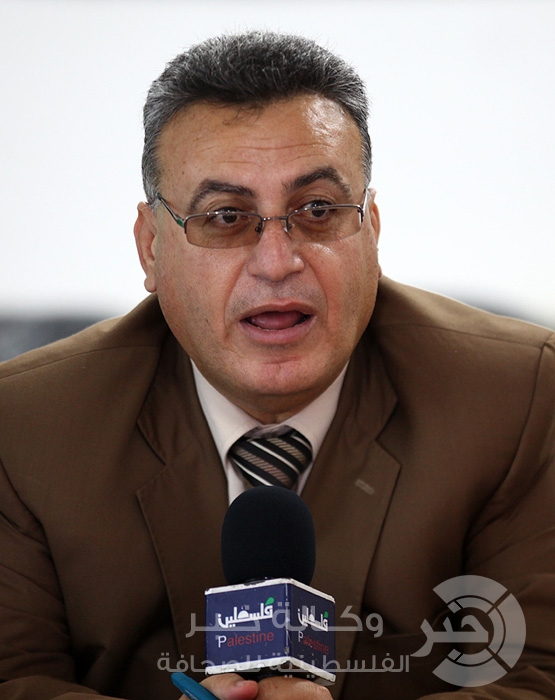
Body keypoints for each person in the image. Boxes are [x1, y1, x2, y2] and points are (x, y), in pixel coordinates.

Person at [0, 30, 554, 700]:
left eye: (317, 210)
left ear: (372, 230)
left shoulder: (520, 397)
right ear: (150, 248)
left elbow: (540, 676)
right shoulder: (23, 429)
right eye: (225, 216)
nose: (276, 262)